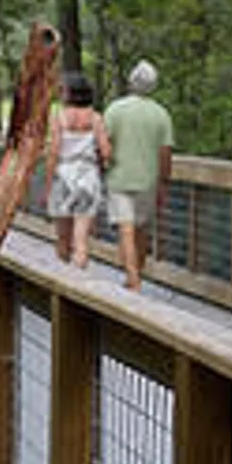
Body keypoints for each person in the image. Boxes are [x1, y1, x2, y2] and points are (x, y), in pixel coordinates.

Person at [103, 59, 174, 292]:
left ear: (131, 82)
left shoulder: (115, 109)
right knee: (141, 230)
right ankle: (136, 274)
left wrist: (103, 163)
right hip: (148, 181)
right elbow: (165, 153)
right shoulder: (161, 114)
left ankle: (132, 278)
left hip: (119, 178)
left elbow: (104, 144)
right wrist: (164, 183)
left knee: (126, 228)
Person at [43, 71, 110, 270]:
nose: (60, 94)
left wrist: (47, 186)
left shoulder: (59, 118)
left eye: (63, 90)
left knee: (62, 239)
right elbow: (106, 151)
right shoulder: (96, 118)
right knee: (81, 241)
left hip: (64, 176)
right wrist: (100, 162)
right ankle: (79, 279)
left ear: (71, 93)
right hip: (88, 177)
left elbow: (54, 152)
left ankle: (63, 282)